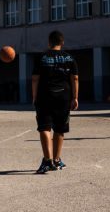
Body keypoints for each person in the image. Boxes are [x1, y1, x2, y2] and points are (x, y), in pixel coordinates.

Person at [32, 30, 79, 174]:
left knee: (45, 127)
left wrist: (34, 97)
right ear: (62, 42)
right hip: (63, 96)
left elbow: (35, 79)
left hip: (45, 96)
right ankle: (57, 160)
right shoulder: (69, 58)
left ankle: (48, 161)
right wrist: (75, 97)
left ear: (49, 42)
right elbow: (75, 79)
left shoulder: (42, 57)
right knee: (60, 128)